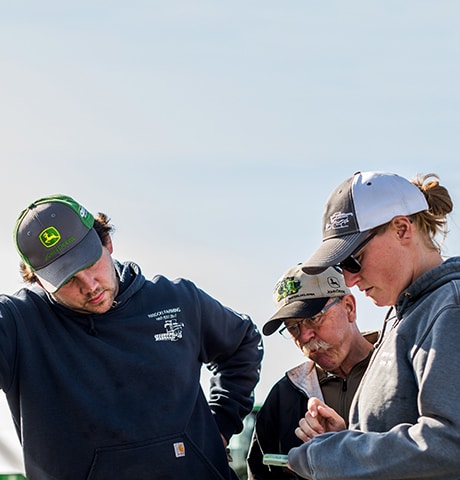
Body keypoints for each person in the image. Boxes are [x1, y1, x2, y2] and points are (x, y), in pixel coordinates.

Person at [0, 194, 263, 480]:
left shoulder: (177, 300)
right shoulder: (17, 324)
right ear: (39, 281)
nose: (89, 286)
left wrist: (222, 423)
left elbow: (243, 344)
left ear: (107, 243)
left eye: (90, 264)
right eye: (68, 279)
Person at [288, 170, 460, 479]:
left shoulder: (449, 309)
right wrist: (350, 436)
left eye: (354, 259)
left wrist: (332, 454)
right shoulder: (407, 312)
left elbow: (451, 444)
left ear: (401, 229)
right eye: (342, 267)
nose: (350, 280)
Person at [246, 264, 378, 479]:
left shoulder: (403, 367)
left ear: (349, 307)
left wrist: (343, 449)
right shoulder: (283, 397)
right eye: (293, 327)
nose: (305, 335)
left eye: (314, 318)